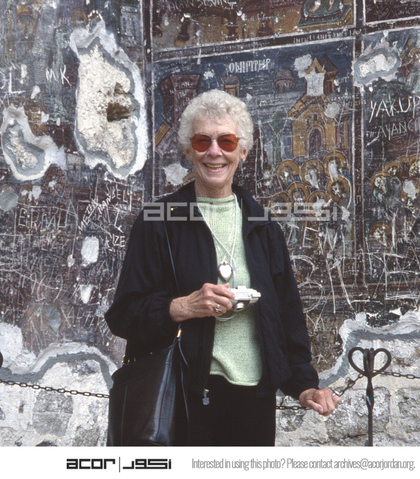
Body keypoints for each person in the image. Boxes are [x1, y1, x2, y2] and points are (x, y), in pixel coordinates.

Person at [106, 89, 339, 446]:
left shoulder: (263, 225)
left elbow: (287, 315)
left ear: (242, 152)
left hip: (255, 400)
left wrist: (304, 385)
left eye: (226, 141)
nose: (214, 152)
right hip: (183, 397)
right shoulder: (158, 220)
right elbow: (123, 315)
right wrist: (182, 307)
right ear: (188, 151)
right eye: (202, 142)